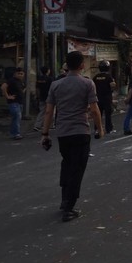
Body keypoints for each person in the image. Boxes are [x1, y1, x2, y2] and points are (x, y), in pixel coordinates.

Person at [41, 51, 103, 222]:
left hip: (63, 133)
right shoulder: (87, 84)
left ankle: (64, 199)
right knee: (77, 169)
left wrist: (45, 134)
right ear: (82, 65)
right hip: (81, 132)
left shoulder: (56, 85)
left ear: (66, 65)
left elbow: (48, 111)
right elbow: (94, 110)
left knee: (67, 164)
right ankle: (69, 208)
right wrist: (100, 129)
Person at [1, 67, 26, 140]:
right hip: (13, 102)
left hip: (19, 102)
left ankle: (13, 133)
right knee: (17, 117)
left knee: (16, 118)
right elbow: (3, 87)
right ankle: (16, 134)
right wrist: (7, 96)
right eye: (19, 73)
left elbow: (23, 89)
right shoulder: (11, 80)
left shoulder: (20, 81)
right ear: (15, 74)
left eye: (22, 74)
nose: (20, 75)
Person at [92, 60, 116, 135]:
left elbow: (92, 87)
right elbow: (113, 86)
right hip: (107, 99)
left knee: (98, 114)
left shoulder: (96, 77)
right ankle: (109, 129)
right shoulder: (109, 76)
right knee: (108, 114)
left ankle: (97, 129)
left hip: (98, 98)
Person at [33, 66, 53, 132]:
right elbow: (52, 88)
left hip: (41, 97)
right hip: (49, 97)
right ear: (48, 71)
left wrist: (37, 96)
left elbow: (37, 88)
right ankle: (48, 125)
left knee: (42, 111)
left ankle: (37, 125)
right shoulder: (50, 79)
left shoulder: (39, 79)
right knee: (50, 111)